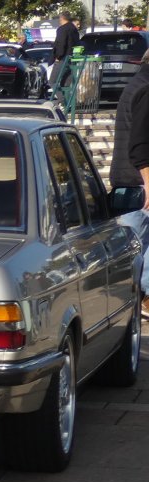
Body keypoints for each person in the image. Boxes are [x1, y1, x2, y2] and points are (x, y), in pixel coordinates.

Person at [109, 51, 149, 312]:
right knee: (134, 253)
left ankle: (141, 299)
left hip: (132, 182)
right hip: (138, 185)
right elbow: (140, 145)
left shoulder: (137, 84)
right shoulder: (146, 89)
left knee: (137, 251)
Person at [50, 10, 80, 101]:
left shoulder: (62, 29)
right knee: (66, 84)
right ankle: (67, 102)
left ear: (61, 18)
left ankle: (62, 101)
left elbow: (61, 44)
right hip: (72, 59)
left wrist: (58, 56)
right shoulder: (74, 29)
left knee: (52, 81)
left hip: (63, 59)